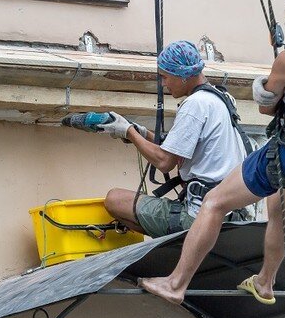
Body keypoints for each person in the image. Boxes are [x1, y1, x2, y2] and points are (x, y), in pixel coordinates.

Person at [139, 0, 285, 305]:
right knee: (278, 205)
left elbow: (267, 108)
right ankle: (265, 283)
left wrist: (270, 79)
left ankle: (176, 284)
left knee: (214, 202)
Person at [97, 40, 251, 238]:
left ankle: (178, 243)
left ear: (183, 76)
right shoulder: (220, 98)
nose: (163, 84)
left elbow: (165, 162)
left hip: (200, 217)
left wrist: (128, 132)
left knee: (115, 200)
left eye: (165, 77)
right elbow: (179, 149)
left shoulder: (195, 105)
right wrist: (143, 134)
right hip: (230, 214)